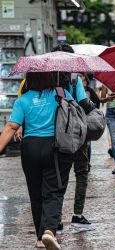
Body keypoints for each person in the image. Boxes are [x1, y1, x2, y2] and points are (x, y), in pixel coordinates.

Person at [0, 72, 74, 249]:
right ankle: (49, 231)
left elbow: (11, 126)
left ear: (28, 80)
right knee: (54, 190)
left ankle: (40, 238)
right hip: (54, 147)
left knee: (35, 193)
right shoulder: (61, 93)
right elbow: (75, 114)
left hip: (30, 148)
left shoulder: (23, 100)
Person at [52, 44, 96, 232]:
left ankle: (56, 219)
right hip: (77, 133)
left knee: (58, 176)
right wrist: (95, 109)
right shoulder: (75, 79)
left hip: (56, 133)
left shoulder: (48, 79)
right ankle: (77, 216)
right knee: (81, 172)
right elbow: (85, 104)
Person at [79, 72, 100, 172]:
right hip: (78, 118)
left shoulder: (89, 90)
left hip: (88, 119)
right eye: (80, 80)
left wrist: (93, 111)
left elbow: (97, 101)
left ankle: (87, 162)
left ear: (86, 81)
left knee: (88, 143)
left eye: (83, 80)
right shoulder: (75, 90)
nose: (82, 82)